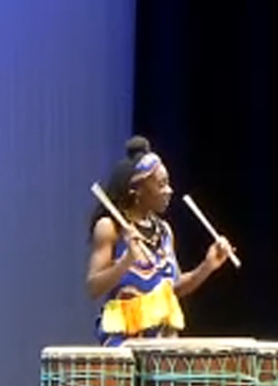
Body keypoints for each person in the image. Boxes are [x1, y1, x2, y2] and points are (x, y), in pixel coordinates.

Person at [86, 136, 235, 345]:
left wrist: (207, 266)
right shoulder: (111, 228)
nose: (169, 191)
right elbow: (93, 287)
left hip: (162, 345)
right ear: (136, 190)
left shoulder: (164, 231)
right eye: (161, 184)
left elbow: (174, 288)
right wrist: (128, 259)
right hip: (125, 345)